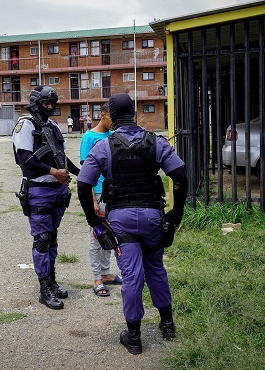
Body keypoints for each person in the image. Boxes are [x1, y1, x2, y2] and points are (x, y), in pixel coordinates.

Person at [76, 93, 188, 355]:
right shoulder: (155, 142)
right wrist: (176, 215)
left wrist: (94, 220)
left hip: (121, 221)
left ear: (112, 117)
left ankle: (134, 337)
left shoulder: (103, 147)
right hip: (152, 218)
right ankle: (168, 324)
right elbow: (180, 175)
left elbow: (83, 184)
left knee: (132, 276)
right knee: (156, 270)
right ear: (135, 114)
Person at [12, 85, 81, 310]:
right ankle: (44, 289)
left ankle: (51, 280)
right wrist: (53, 172)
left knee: (52, 238)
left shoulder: (52, 126)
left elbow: (61, 157)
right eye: (46, 104)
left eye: (53, 104)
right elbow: (25, 158)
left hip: (57, 191)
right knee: (42, 239)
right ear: (35, 103)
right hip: (39, 190)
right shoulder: (26, 125)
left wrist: (82, 173)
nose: (50, 108)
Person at [79, 102, 121, 297]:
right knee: (97, 236)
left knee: (111, 234)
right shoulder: (89, 138)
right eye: (112, 117)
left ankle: (105, 273)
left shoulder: (114, 136)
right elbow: (85, 175)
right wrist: (92, 200)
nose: (115, 122)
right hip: (97, 193)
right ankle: (97, 278)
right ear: (102, 115)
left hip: (113, 193)